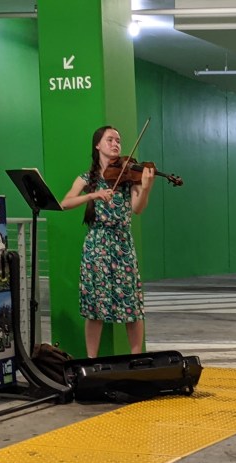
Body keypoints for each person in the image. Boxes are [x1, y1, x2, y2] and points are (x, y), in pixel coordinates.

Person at [61, 125, 155, 358]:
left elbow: (138, 209)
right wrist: (94, 195)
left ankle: (137, 358)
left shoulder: (127, 178)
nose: (116, 144)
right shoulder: (87, 178)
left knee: (131, 305)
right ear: (97, 145)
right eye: (110, 139)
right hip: (97, 244)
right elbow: (65, 203)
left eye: (118, 141)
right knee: (95, 306)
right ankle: (92, 360)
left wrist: (146, 188)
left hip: (122, 243)